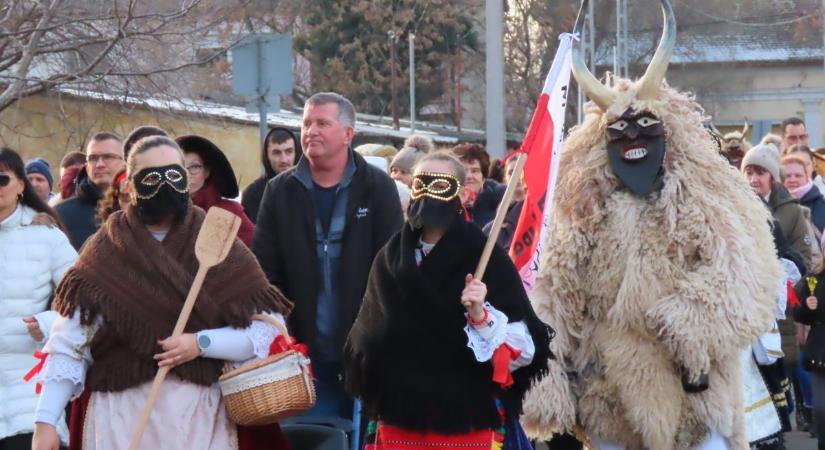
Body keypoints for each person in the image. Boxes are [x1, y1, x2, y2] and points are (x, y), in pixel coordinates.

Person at [521, 2, 781, 448]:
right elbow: (557, 294)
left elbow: (749, 275)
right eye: (618, 131)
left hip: (694, 394)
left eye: (645, 126)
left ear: (669, 132)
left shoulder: (706, 198)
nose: (633, 140)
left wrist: (690, 317)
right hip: (610, 400)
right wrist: (549, 375)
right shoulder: (582, 211)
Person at [30, 135, 293, 450]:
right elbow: (69, 344)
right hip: (120, 419)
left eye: (174, 175)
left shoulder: (220, 242)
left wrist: (202, 343)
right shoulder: (105, 251)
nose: (166, 185)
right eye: (152, 177)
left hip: (201, 419)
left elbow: (267, 331)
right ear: (131, 185)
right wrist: (45, 420)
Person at [345, 152, 552, 449]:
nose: (429, 193)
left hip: (468, 422)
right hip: (400, 421)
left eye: (439, 185)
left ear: (462, 194)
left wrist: (482, 316)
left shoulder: (485, 257)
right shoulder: (391, 258)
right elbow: (368, 336)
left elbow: (525, 349)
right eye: (421, 184)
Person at [253, 92, 404, 419]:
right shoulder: (279, 191)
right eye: (306, 123)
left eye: (322, 123)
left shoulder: (377, 187)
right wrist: (284, 335)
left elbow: (393, 270)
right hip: (300, 356)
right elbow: (265, 273)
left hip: (365, 354)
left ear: (348, 134)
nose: (310, 131)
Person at [0, 148, 76, 449]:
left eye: (1, 179)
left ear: (21, 186)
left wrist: (48, 322)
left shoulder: (46, 235)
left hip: (28, 393)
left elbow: (88, 303)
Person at [743, 144, 815, 272]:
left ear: (772, 177)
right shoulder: (733, 207)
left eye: (761, 173)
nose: (753, 179)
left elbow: (804, 261)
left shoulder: (793, 211)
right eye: (748, 173)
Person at [178, 135, 255, 246]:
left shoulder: (230, 212)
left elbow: (256, 252)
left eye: (195, 167)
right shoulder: (165, 212)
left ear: (207, 171)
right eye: (180, 167)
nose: (187, 175)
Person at [55, 132, 124, 250]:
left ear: (125, 163)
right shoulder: (60, 215)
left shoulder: (139, 209)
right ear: (86, 166)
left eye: (108, 157)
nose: (99, 164)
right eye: (93, 158)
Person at [241, 127, 300, 223]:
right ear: (267, 156)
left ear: (296, 153)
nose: (284, 160)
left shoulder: (309, 188)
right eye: (276, 153)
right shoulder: (253, 194)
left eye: (289, 151)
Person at [795, 270, 825, 450]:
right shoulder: (814, 279)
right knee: (821, 408)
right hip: (820, 352)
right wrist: (806, 306)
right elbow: (797, 312)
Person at [452, 143, 506, 226]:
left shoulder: (502, 201)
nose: (469, 176)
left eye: (475, 171)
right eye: (463, 171)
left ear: (483, 178)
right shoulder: (444, 203)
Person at [781, 154, 825, 232]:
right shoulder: (771, 204)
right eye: (787, 176)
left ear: (807, 177)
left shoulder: (822, 205)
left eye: (798, 175)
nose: (792, 180)